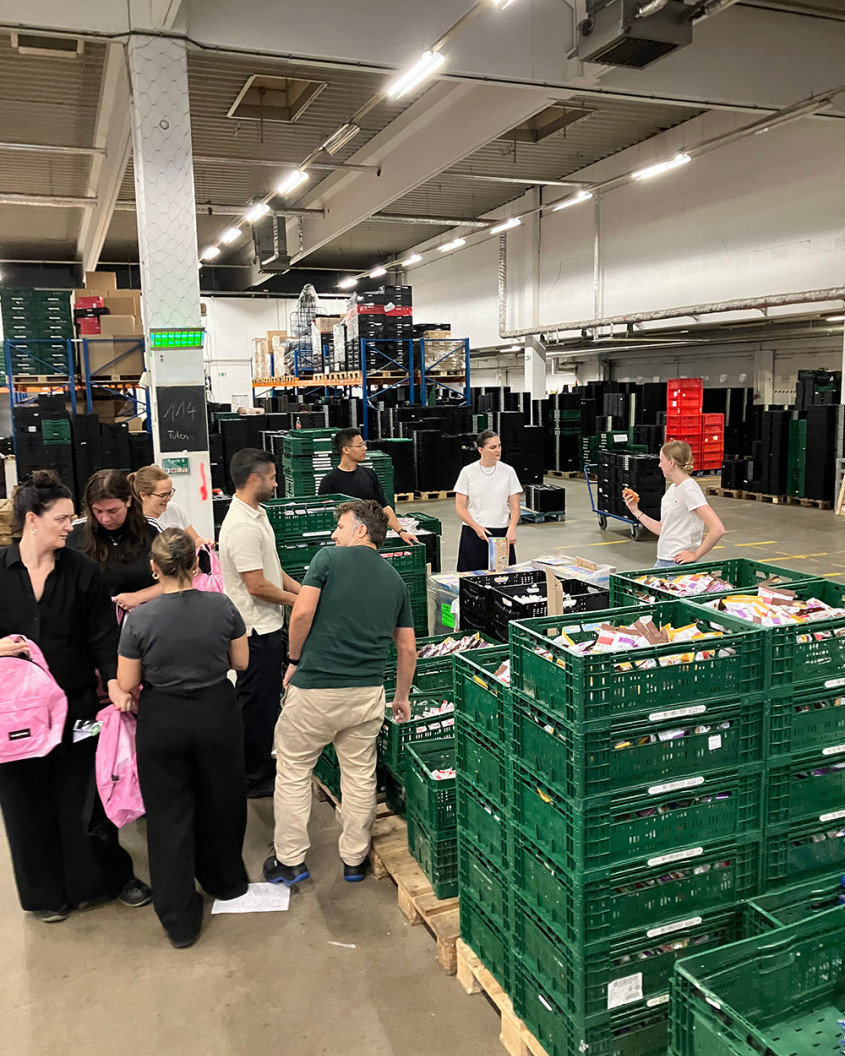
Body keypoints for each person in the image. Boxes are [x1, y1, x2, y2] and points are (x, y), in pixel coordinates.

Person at [0, 471, 150, 923]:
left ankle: (104, 879)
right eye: (63, 518)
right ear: (32, 520)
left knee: (85, 796)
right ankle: (45, 894)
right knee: (25, 803)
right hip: (15, 715)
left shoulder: (81, 570)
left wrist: (121, 686)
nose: (72, 526)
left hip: (77, 705)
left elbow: (103, 637)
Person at [264, 499, 415, 887]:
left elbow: (301, 613)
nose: (334, 533)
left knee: (295, 771)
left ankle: (290, 861)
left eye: (341, 525)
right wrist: (401, 696)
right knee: (360, 776)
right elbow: (407, 649)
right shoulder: (396, 580)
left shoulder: (328, 559)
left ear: (360, 530)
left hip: (316, 689)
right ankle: (353, 859)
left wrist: (293, 658)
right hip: (366, 694)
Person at [116, 528, 250, 948]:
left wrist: (122, 694)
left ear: (154, 569)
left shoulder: (139, 619)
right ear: (196, 565)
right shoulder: (222, 605)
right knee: (222, 800)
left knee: (169, 817)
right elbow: (241, 661)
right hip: (216, 711)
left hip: (163, 718)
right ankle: (227, 883)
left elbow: (127, 681)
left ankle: (179, 919)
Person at [219, 448, 301, 799]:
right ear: (255, 479)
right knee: (255, 707)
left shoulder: (258, 515)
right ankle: (254, 778)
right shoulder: (239, 527)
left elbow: (273, 569)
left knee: (267, 703)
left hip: (270, 626)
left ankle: (259, 766)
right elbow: (257, 586)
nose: (276, 482)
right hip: (254, 633)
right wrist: (301, 604)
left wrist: (304, 591)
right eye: (271, 477)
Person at [67, 469, 161, 613]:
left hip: (144, 618)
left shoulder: (151, 531)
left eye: (113, 511)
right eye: (98, 511)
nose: (106, 519)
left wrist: (140, 596)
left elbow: (176, 580)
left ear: (128, 501)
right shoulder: (74, 534)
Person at [624, 440, 726, 568]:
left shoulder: (689, 489)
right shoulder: (673, 489)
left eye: (661, 460)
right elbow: (663, 529)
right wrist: (636, 511)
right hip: (663, 560)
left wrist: (695, 555)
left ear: (671, 462)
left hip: (679, 564)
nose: (659, 465)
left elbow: (718, 529)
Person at [318, 428, 417, 543]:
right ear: (346, 449)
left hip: (370, 539)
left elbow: (383, 507)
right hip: (345, 542)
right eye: (360, 445)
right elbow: (324, 517)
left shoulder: (369, 474)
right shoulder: (329, 481)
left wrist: (401, 531)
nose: (364, 448)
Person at [454, 430, 523, 573]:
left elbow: (515, 506)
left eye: (499, 446)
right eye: (492, 447)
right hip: (473, 532)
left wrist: (512, 529)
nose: (498, 450)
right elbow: (460, 507)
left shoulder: (508, 472)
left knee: (502, 577)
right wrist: (476, 527)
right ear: (481, 450)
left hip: (501, 532)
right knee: (472, 579)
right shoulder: (468, 472)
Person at [128, 464, 215, 546]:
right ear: (143, 495)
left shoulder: (173, 509)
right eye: (162, 495)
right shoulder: (138, 524)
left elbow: (195, 540)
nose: (168, 499)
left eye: (170, 493)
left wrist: (204, 542)